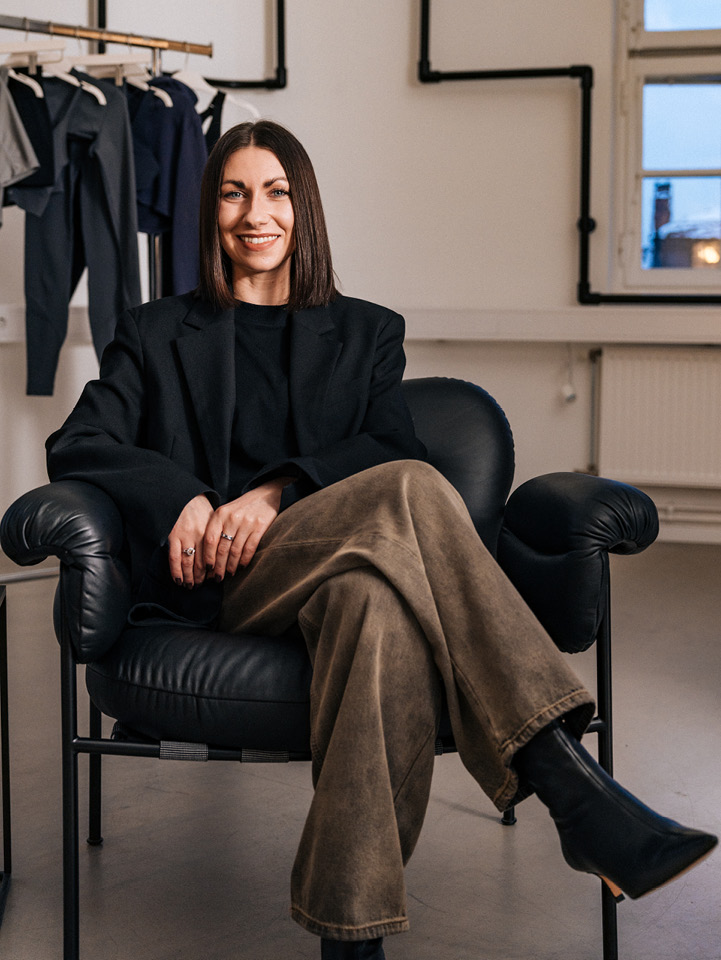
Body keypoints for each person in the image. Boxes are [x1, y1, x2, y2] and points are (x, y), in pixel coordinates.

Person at [46, 120, 717, 959]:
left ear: (305, 208)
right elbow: (78, 443)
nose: (256, 214)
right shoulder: (153, 332)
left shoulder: (366, 332)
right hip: (221, 583)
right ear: (209, 209)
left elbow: (387, 447)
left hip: (332, 571)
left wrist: (274, 493)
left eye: (276, 192)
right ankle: (565, 781)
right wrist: (179, 495)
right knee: (413, 487)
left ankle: (350, 936)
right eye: (233, 193)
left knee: (376, 602)